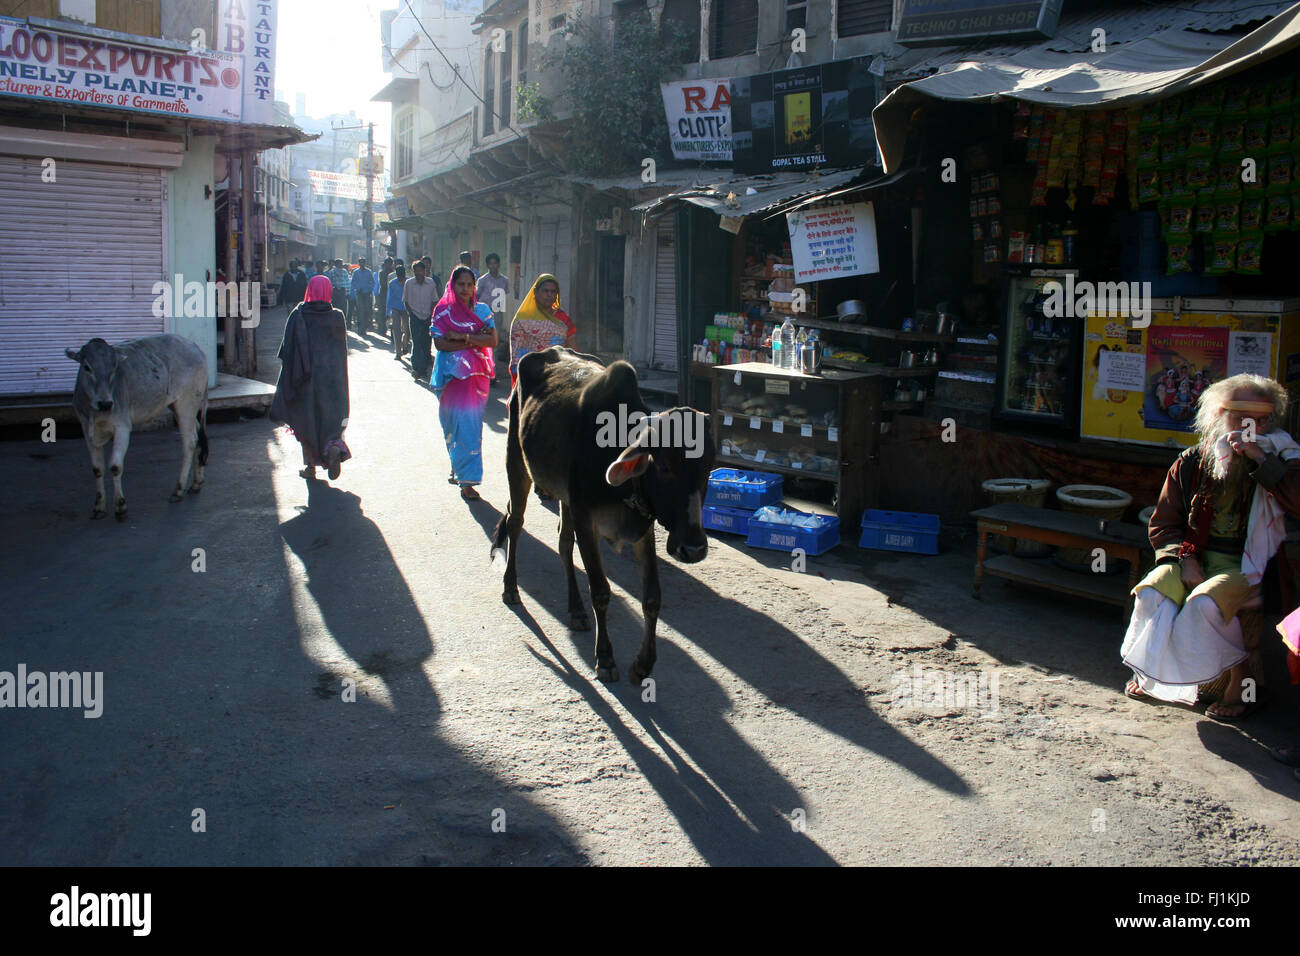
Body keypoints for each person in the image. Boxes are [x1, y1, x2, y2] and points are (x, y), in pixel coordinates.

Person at [1122, 374, 1300, 720]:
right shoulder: (1193, 461)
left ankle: (1242, 684)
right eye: (1243, 418)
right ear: (1220, 414)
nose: (1254, 426)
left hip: (1251, 567)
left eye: (1262, 419)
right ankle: (1153, 673)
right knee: (1151, 592)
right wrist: (1182, 560)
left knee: (1205, 603)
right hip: (1193, 557)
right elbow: (1165, 522)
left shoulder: (1285, 458)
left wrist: (1263, 462)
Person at [270, 274, 351, 481]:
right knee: (332, 420)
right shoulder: (337, 316)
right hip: (332, 381)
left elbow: (287, 350)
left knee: (306, 421)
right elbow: (341, 353)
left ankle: (310, 468)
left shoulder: (299, 314)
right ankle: (332, 448)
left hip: (305, 380)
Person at [431, 266, 496, 500]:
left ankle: (467, 481)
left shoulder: (482, 310)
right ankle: (457, 465)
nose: (465, 289)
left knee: (469, 426)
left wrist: (462, 337)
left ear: (474, 287)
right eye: (461, 284)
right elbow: (440, 345)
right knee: (451, 425)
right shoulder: (443, 310)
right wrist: (473, 342)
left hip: (476, 377)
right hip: (450, 376)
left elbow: (493, 340)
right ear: (452, 285)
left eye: (470, 284)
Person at [508, 273, 576, 389]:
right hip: (530, 378)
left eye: (553, 292)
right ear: (535, 293)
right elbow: (516, 355)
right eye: (545, 291)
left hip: (559, 376)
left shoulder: (563, 318)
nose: (549, 295)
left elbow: (573, 349)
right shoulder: (522, 319)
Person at [476, 254, 511, 378]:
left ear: (499, 264)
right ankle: (483, 369)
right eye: (490, 263)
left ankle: (492, 371)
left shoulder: (504, 280)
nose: (493, 266)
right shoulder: (482, 280)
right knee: (483, 341)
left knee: (494, 342)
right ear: (487, 265)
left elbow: (505, 294)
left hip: (498, 314)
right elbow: (477, 297)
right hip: (484, 315)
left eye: (495, 263)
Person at [403, 260, 438, 382]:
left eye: (421, 270)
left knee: (426, 342)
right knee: (416, 342)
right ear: (413, 272)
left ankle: (425, 367)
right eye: (416, 270)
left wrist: (432, 314)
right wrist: (411, 314)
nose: (418, 273)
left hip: (428, 316)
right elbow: (405, 301)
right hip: (415, 316)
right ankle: (416, 368)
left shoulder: (431, 283)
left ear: (425, 271)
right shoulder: (409, 283)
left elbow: (435, 300)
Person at [387, 264, 408, 360]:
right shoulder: (392, 283)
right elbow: (389, 298)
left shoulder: (409, 282)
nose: (401, 276)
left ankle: (405, 346)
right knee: (396, 330)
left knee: (407, 330)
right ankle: (398, 352)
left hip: (407, 308)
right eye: (399, 274)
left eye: (402, 274)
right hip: (395, 308)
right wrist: (388, 313)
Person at [350, 257, 375, 334]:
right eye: (361, 262)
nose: (362, 264)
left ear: (365, 263)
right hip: (359, 294)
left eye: (363, 262)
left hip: (367, 294)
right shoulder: (356, 272)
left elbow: (373, 282)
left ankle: (365, 327)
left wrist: (369, 289)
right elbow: (353, 282)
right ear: (359, 263)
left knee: (367, 311)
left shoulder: (369, 272)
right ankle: (361, 329)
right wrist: (357, 288)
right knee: (360, 311)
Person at [376, 257, 395, 336]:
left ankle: (390, 328)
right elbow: (382, 283)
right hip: (383, 294)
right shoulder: (382, 273)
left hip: (391, 294)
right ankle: (382, 328)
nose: (389, 265)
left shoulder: (394, 273)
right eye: (387, 263)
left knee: (391, 312)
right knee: (382, 311)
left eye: (390, 263)